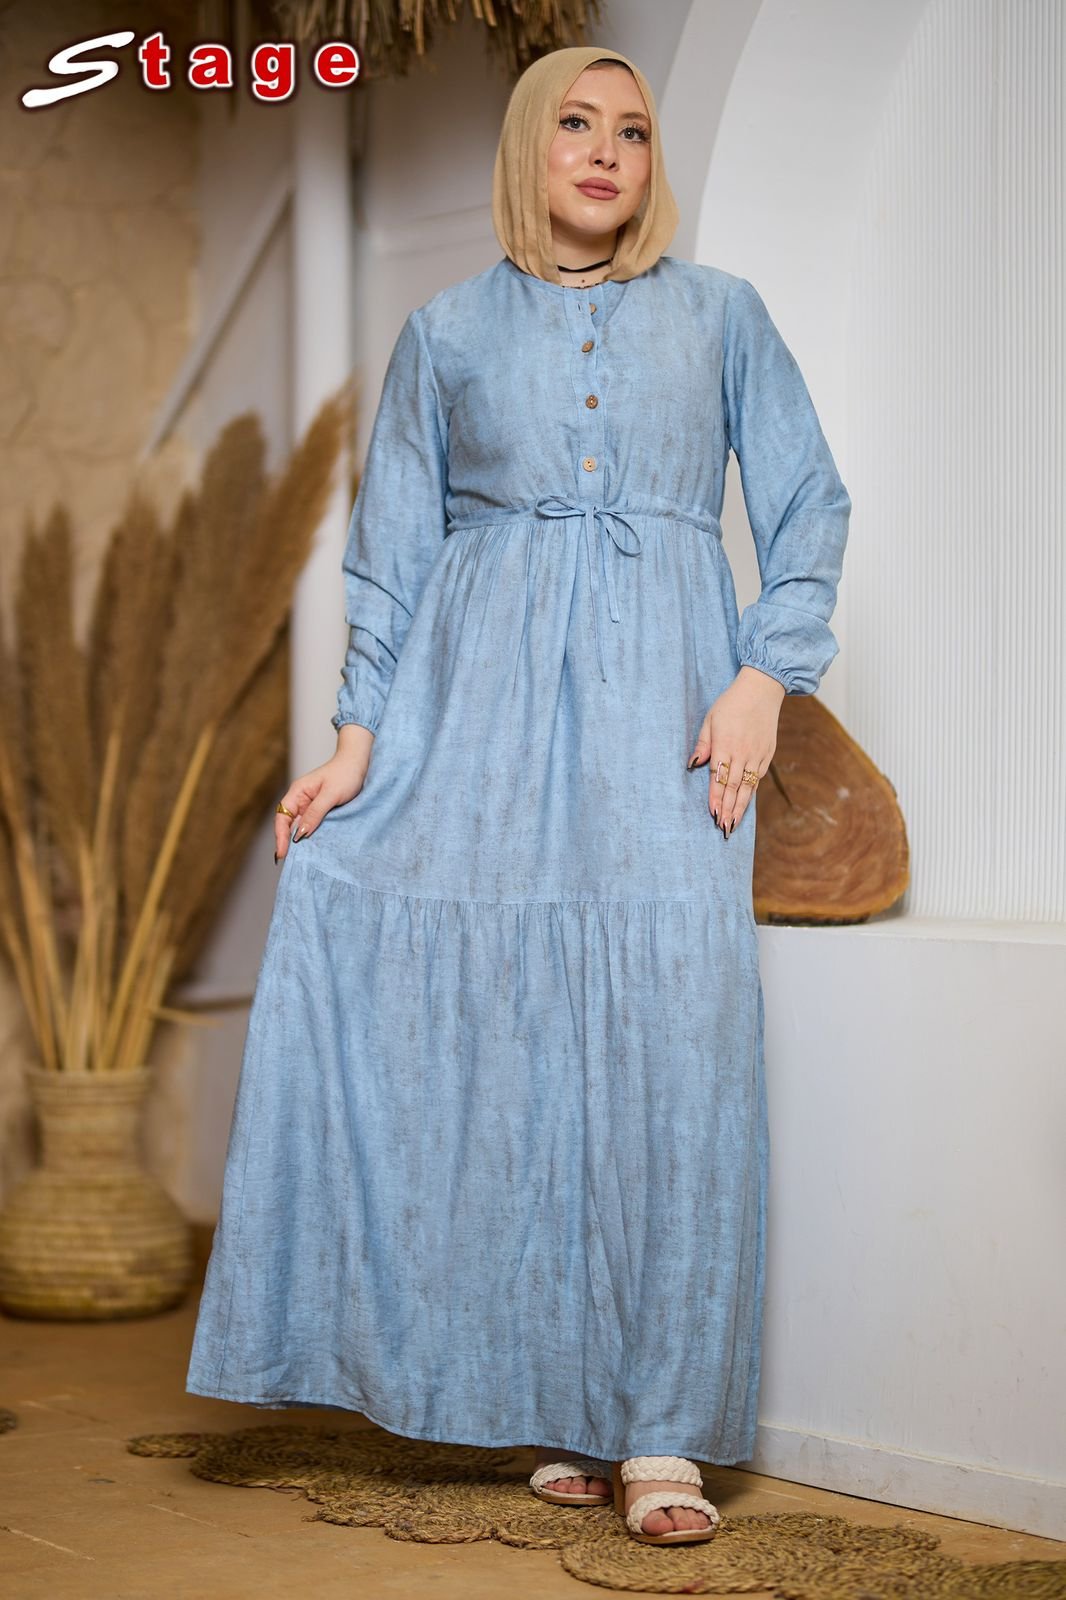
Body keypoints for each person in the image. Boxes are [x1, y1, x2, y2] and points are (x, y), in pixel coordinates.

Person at [186, 44, 851, 1549]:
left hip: (669, 716)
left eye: (633, 130)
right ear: (524, 148)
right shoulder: (444, 334)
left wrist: (764, 675)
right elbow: (391, 554)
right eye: (574, 123)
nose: (606, 150)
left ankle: (660, 1425)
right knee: (517, 1044)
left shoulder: (722, 314)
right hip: (473, 726)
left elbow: (809, 501)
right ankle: (565, 1404)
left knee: (673, 1043)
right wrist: (355, 743)